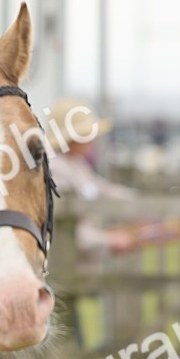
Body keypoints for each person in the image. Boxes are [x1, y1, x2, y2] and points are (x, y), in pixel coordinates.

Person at [48, 98, 135, 253]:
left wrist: (142, 205)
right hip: (66, 264)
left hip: (81, 263)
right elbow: (63, 228)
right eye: (87, 134)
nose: (93, 139)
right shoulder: (54, 172)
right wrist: (109, 239)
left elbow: (106, 191)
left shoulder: (77, 166)